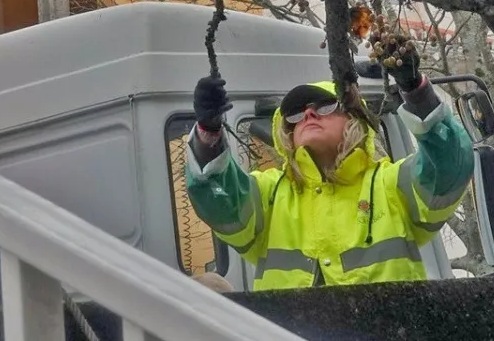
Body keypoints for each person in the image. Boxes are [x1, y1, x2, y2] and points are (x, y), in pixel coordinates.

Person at [183, 34, 473, 289]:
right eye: (296, 114)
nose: (308, 114)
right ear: (288, 133)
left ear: (354, 119)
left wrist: (417, 93)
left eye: (325, 106)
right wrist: (208, 133)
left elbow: (449, 169)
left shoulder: (390, 185)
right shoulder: (268, 194)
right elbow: (218, 201)